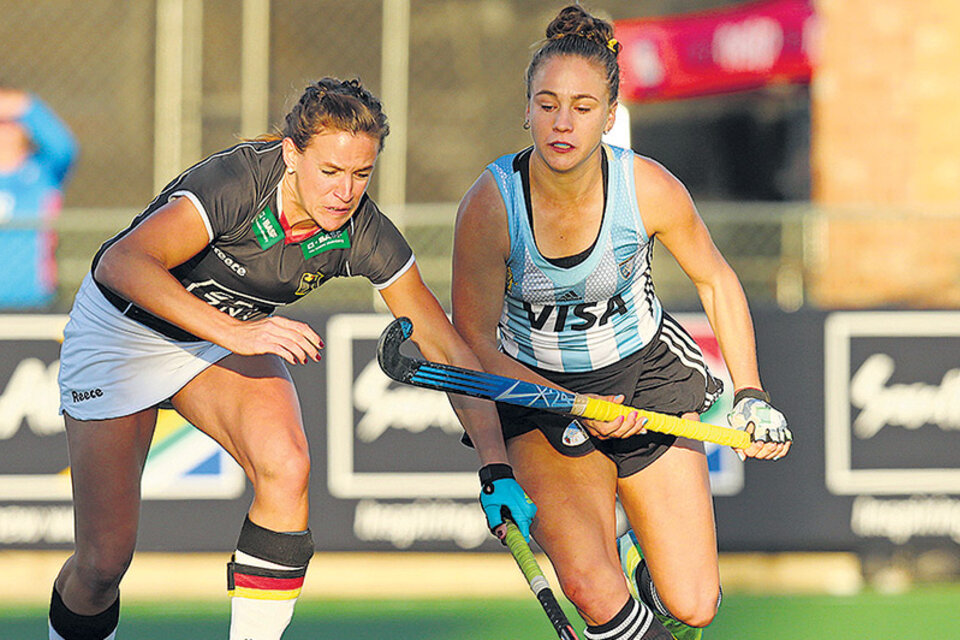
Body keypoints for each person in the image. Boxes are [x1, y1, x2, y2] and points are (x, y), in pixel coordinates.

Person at [48, 77, 535, 640]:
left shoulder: (364, 233)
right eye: (329, 172)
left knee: (287, 466)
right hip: (121, 334)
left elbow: (447, 348)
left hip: (215, 341)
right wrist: (238, 332)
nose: (344, 192)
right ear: (290, 155)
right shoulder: (236, 183)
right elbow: (120, 263)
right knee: (102, 564)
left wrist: (495, 466)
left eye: (361, 174)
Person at [451, 6, 792, 640]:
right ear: (525, 109)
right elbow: (470, 346)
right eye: (546, 103)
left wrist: (750, 395)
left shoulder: (649, 187)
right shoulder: (491, 204)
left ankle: (646, 565)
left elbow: (717, 280)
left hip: (648, 379)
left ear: (610, 117)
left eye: (582, 107)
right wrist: (568, 408)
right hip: (541, 393)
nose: (562, 122)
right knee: (592, 591)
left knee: (693, 606)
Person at [0, 88, 78, 308]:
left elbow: (64, 146)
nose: (4, 130)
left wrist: (25, 104)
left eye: (10, 121)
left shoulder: (44, 171)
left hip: (34, 301)